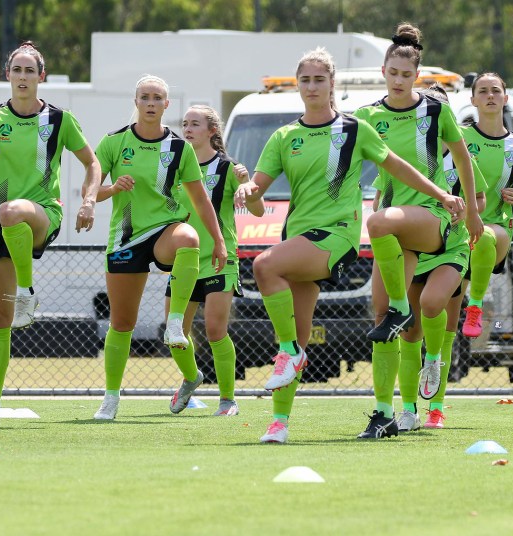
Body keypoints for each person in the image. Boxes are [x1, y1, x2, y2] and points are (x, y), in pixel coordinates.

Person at [235, 47, 465, 444]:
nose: (311, 87)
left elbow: (399, 167)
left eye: (319, 79)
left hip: (338, 236)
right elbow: (257, 202)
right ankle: (281, 423)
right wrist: (247, 190)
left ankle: (296, 353)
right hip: (300, 240)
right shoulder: (283, 137)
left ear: (332, 84)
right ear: (298, 85)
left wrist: (442, 196)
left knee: (263, 266)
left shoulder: (355, 129)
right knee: (299, 337)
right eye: (305, 80)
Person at [353, 25, 482, 439]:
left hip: (431, 218)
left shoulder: (435, 112)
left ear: (417, 75)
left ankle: (435, 361)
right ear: (383, 71)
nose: (398, 80)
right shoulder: (367, 117)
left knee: (380, 225)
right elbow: (345, 167)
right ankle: (387, 413)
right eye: (392, 73)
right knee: (387, 324)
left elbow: (462, 158)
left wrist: (473, 212)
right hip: (396, 233)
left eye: (406, 75)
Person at [0, 41, 101, 427]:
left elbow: (92, 163)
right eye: (16, 70)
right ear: (6, 75)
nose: (22, 77)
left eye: (29, 71)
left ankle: (27, 291)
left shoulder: (59, 120)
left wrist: (89, 201)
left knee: (11, 210)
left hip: (43, 214)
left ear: (42, 76)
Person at [93, 76, 226, 421]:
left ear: (167, 105)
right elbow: (91, 191)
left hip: (165, 230)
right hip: (126, 238)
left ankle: (175, 324)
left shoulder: (179, 148)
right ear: (135, 101)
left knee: (189, 239)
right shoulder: (113, 141)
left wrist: (219, 241)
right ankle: (111, 398)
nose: (150, 103)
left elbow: (200, 199)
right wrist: (110, 190)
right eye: (145, 97)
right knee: (122, 323)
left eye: (157, 98)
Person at [161, 105, 263, 417]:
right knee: (174, 332)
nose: (188, 129)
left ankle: (228, 400)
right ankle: (191, 378)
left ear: (212, 131)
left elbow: (258, 211)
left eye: (195, 124)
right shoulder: (175, 167)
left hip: (221, 258)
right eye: (185, 124)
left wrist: (248, 186)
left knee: (215, 330)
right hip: (186, 261)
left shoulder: (229, 168)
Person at [459, 73, 513, 339]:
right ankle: (437, 358)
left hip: (497, 225)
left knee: (484, 236)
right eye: (482, 91)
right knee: (445, 306)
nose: (490, 95)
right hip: (458, 229)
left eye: (495, 90)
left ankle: (475, 306)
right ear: (473, 100)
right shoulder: (459, 137)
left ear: (505, 98)